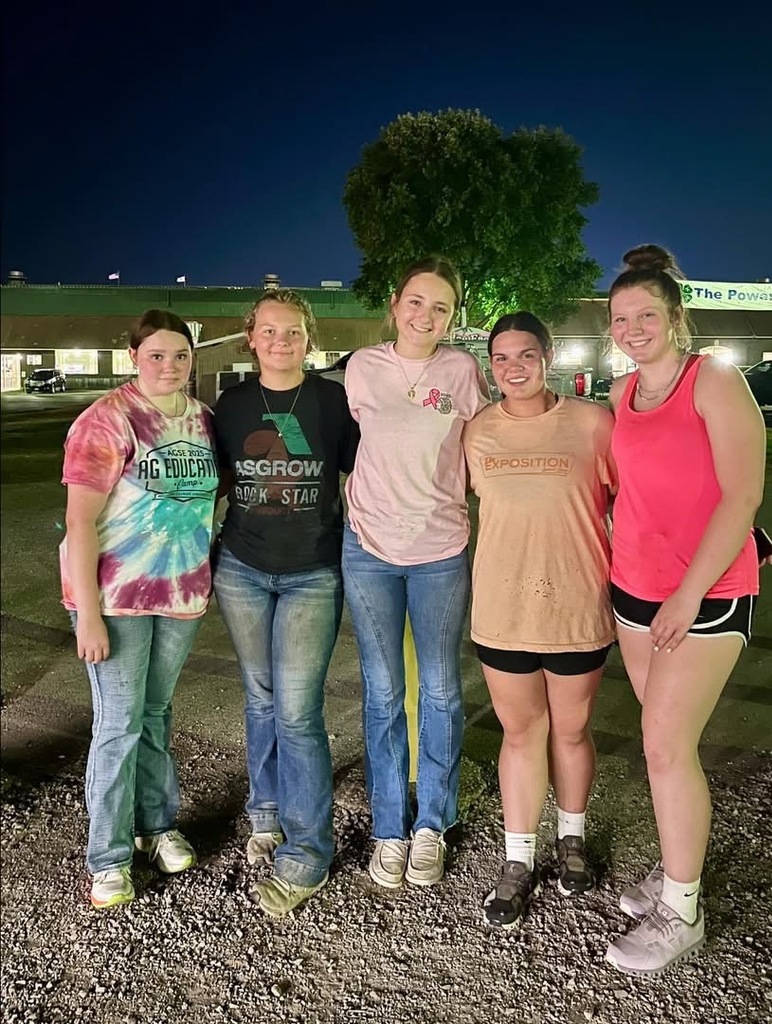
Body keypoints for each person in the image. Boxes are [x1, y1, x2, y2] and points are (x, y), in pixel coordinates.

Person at [603, 244, 765, 976]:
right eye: (620, 318)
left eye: (646, 315)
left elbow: (741, 496)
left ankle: (682, 911)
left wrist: (688, 591)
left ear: (674, 318)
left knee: (666, 748)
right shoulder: (618, 394)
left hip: (702, 595)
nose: (632, 327)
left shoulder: (714, 382)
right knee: (662, 744)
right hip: (631, 590)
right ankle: (677, 869)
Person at [463, 312, 617, 929]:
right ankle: (518, 858)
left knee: (572, 731)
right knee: (521, 733)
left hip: (578, 606)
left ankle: (571, 840)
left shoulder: (591, 423)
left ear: (547, 357)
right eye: (501, 359)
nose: (513, 368)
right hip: (502, 611)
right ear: (490, 365)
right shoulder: (478, 432)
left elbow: (636, 498)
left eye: (525, 355)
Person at [60, 309, 219, 909]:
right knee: (119, 724)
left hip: (179, 593)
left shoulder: (202, 420)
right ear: (134, 357)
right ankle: (107, 857)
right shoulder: (107, 420)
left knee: (155, 715)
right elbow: (79, 520)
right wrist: (90, 613)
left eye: (179, 356)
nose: (169, 366)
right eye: (156, 355)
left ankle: (157, 826)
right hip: (117, 597)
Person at [341, 255, 491, 888]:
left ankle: (431, 820)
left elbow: (486, 444)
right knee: (382, 693)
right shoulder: (363, 368)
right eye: (417, 302)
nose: (427, 315)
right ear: (395, 304)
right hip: (370, 548)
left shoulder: (461, 371)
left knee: (438, 689)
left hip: (439, 549)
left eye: (441, 307)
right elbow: (360, 444)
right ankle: (388, 828)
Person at [212, 288, 359, 919]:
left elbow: (364, 473)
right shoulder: (232, 404)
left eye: (292, 332)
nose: (280, 342)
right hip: (242, 568)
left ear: (309, 336)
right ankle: (265, 812)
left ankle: (308, 850)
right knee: (260, 695)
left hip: (311, 573)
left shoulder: (332, 401)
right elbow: (208, 483)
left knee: (297, 711)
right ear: (251, 338)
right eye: (268, 332)